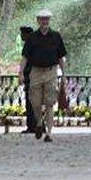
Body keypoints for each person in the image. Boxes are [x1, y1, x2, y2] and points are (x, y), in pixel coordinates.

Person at [21, 10, 66, 142]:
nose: (45, 22)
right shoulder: (32, 38)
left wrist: (64, 74)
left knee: (50, 103)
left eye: (47, 19)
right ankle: (39, 123)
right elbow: (24, 57)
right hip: (35, 71)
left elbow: (61, 57)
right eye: (42, 19)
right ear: (38, 21)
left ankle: (49, 133)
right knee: (35, 102)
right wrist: (20, 73)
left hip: (51, 71)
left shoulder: (56, 36)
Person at [17, 25, 37, 136]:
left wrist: (22, 74)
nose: (20, 36)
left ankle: (31, 126)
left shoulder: (29, 44)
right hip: (36, 75)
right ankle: (37, 124)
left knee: (30, 102)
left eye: (22, 34)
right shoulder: (36, 43)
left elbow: (25, 60)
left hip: (31, 76)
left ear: (26, 34)